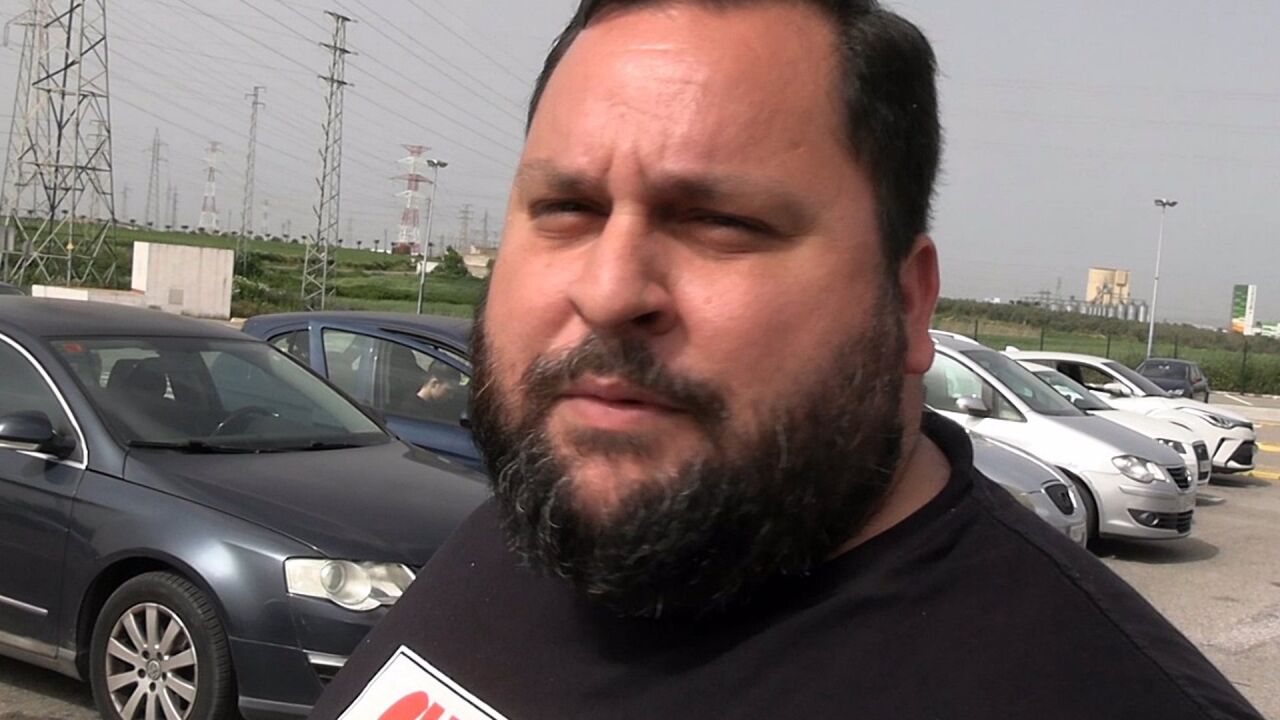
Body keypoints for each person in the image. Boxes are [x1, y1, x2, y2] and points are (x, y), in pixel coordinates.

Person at [311, 1, 1263, 718]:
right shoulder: (534, 531)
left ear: (905, 300)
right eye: (567, 210)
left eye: (720, 221)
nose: (608, 290)